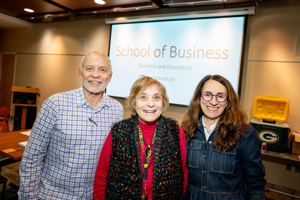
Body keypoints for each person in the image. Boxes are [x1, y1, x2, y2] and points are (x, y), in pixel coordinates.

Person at [18, 52, 123, 199]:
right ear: (80, 73)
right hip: (54, 195)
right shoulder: (55, 104)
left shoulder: (116, 109)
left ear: (110, 76)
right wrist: (29, 197)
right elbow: (32, 157)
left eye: (102, 70)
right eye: (89, 68)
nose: (95, 75)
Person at [93, 76, 188, 200]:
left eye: (156, 97)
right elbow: (102, 176)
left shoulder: (175, 132)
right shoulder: (118, 132)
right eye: (143, 97)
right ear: (134, 101)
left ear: (163, 102)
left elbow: (185, 177)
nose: (150, 104)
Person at [181, 75, 266, 200]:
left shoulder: (244, 133)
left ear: (227, 102)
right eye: (208, 94)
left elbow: (255, 182)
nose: (213, 102)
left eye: (220, 96)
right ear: (199, 98)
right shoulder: (187, 130)